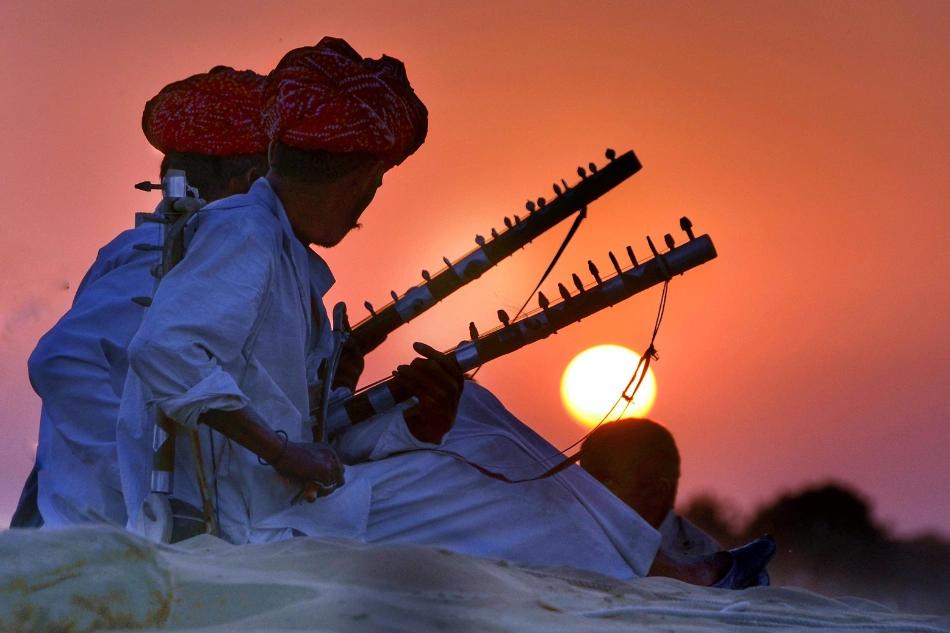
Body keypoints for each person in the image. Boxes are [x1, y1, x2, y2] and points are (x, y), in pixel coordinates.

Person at [117, 37, 773, 587]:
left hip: (282, 497)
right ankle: (673, 579)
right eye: (371, 187)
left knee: (472, 421)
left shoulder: (277, 245)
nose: (366, 208)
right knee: (472, 487)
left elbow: (297, 413)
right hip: (259, 521)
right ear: (356, 179)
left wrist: (396, 413)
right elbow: (164, 353)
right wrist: (286, 452)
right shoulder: (247, 235)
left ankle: (654, 560)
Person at [11, 66, 269, 528]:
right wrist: (140, 482)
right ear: (245, 182)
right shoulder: (163, 258)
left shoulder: (185, 254)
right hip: (107, 547)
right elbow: (61, 360)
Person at [580, 418, 722, 557]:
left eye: (606, 482)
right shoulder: (574, 545)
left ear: (656, 493)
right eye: (582, 480)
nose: (585, 493)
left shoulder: (705, 563)